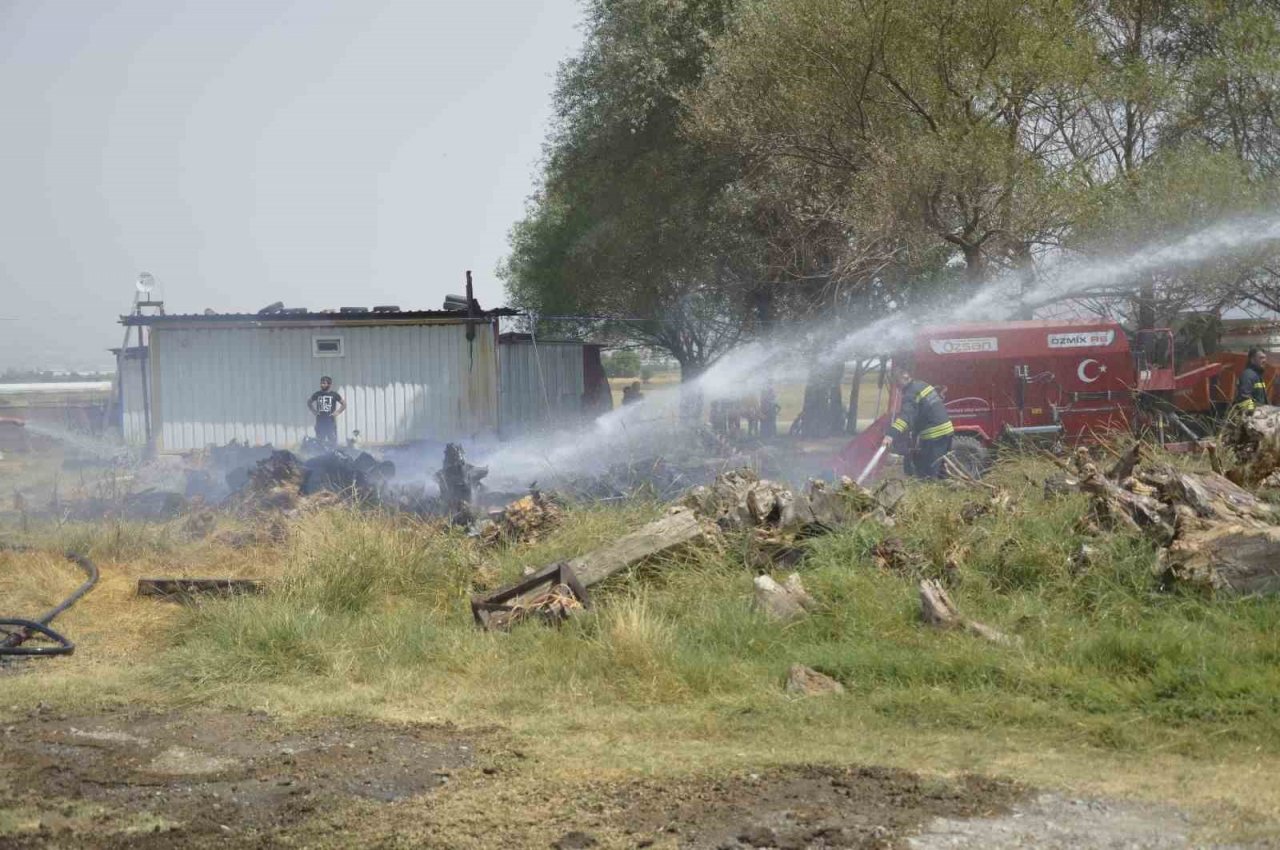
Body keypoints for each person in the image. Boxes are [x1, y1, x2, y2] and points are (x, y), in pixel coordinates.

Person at [881, 362, 954, 479]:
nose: (897, 385)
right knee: (940, 471)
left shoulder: (910, 393)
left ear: (903, 377)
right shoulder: (922, 385)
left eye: (896, 381)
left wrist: (890, 435)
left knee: (929, 474)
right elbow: (923, 411)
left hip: (934, 436)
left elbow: (905, 417)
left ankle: (930, 488)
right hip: (947, 432)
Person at [307, 376, 346, 446]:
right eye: (321, 383)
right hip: (320, 422)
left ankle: (333, 452)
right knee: (320, 441)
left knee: (332, 441)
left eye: (324, 383)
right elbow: (309, 402)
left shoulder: (334, 394)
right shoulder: (317, 394)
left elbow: (344, 404)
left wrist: (337, 412)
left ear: (329, 384)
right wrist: (314, 411)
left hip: (330, 422)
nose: (322, 385)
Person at [1235, 347, 1269, 413]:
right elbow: (1244, 398)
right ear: (1252, 360)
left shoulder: (1257, 375)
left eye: (1265, 358)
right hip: (1253, 416)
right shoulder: (1248, 375)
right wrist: (1252, 412)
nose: (1264, 360)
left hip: (1260, 414)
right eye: (1261, 358)